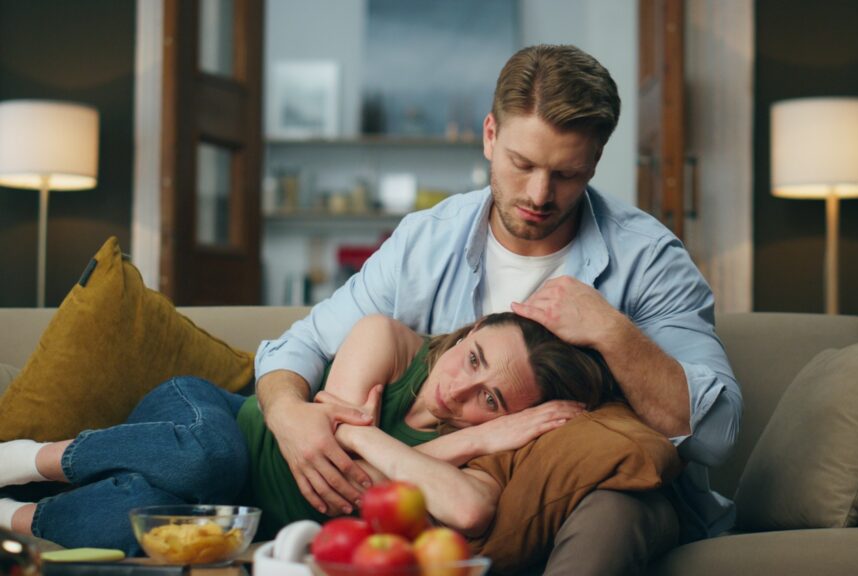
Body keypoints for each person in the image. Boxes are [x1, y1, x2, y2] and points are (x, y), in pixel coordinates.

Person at [254, 44, 743, 574]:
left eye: (567, 174)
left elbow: (715, 436)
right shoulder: (427, 241)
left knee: (619, 506)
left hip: (577, 490)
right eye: (522, 164)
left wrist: (611, 331)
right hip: (445, 491)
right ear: (490, 136)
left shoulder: (649, 259)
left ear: (594, 163)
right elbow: (298, 346)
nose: (539, 194)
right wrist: (287, 414)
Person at [0, 312, 616, 553]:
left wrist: (470, 444)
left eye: (490, 401)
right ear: (469, 331)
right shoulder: (388, 340)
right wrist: (463, 442)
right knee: (209, 461)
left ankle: (9, 518)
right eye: (473, 358)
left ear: (511, 420)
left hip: (236, 522)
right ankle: (25, 459)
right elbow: (329, 451)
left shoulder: (482, 452)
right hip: (205, 422)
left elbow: (468, 507)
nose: (458, 389)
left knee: (151, 535)